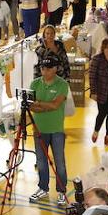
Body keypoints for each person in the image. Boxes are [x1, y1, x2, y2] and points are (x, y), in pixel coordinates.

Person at [28, 55, 71, 205]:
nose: (44, 71)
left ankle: (61, 190)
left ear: (55, 69)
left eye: (47, 69)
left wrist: (40, 104)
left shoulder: (62, 85)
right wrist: (45, 106)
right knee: (41, 161)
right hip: (39, 129)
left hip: (56, 130)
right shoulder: (34, 84)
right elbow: (31, 106)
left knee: (60, 162)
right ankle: (43, 188)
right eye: (42, 68)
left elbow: (56, 105)